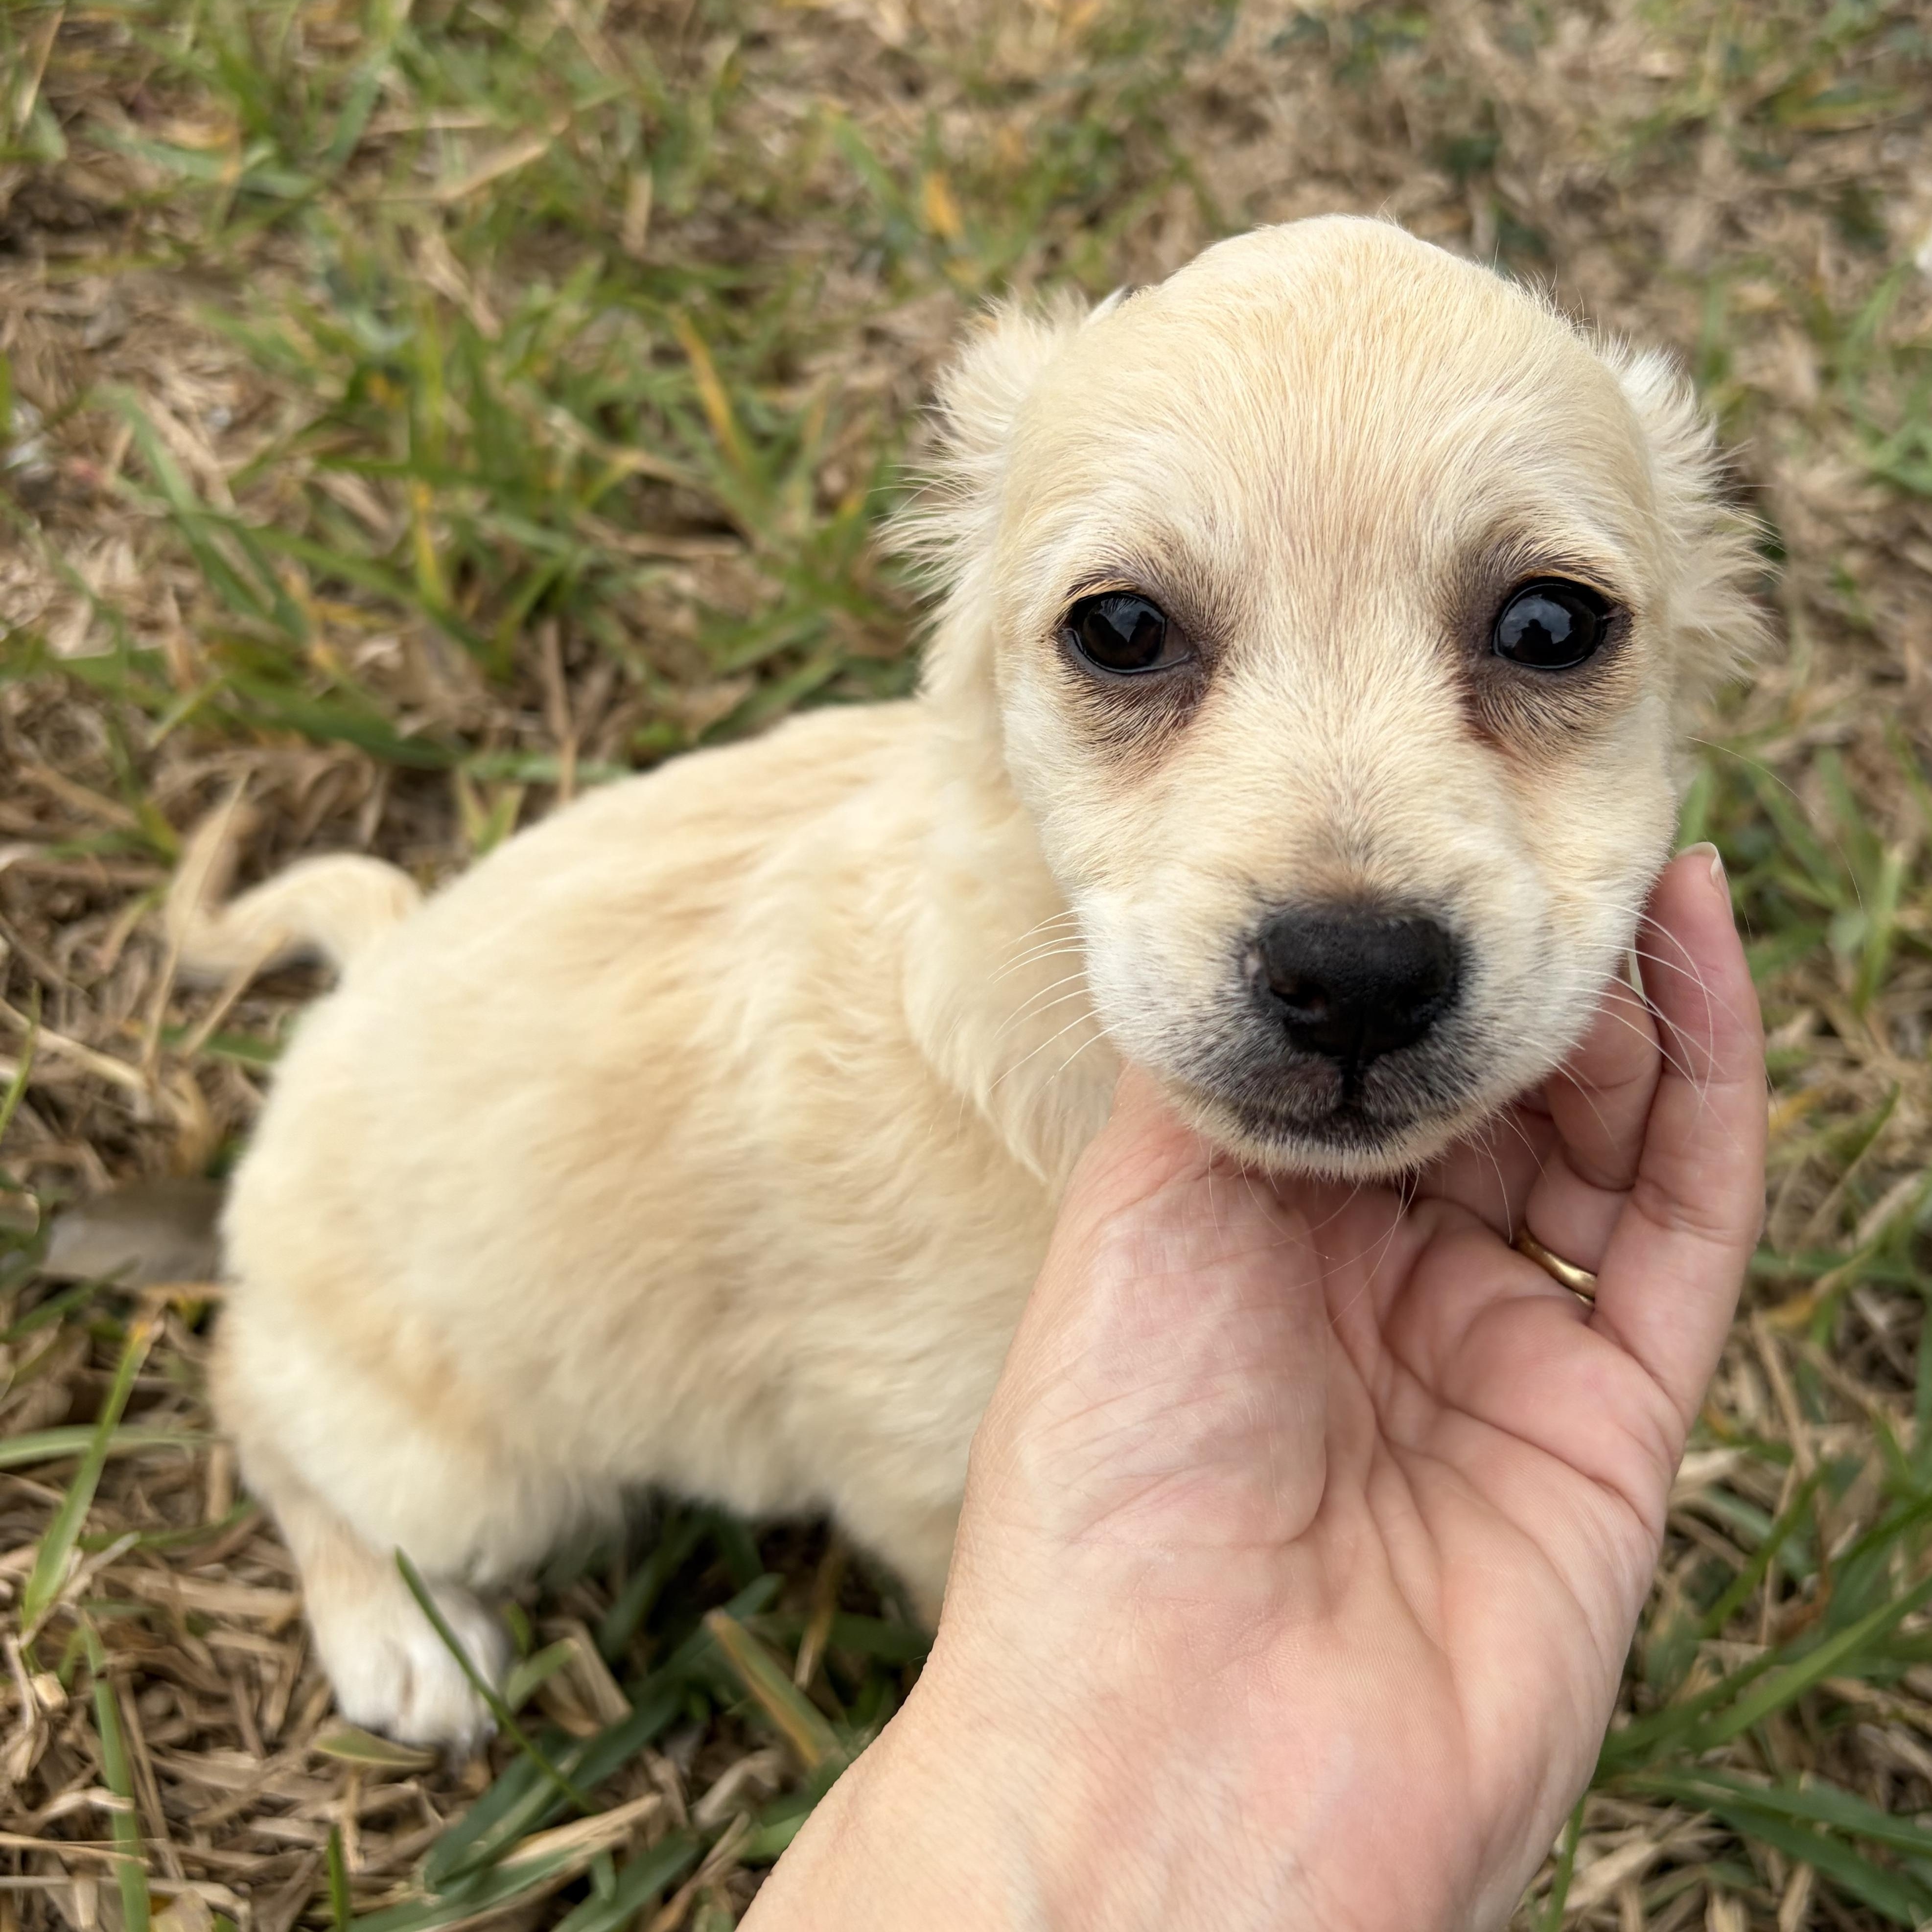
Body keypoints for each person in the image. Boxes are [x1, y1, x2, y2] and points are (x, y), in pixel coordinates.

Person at [744, 847, 1765, 1931]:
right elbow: (906, 1452)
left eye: (1545, 661)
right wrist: (1061, 1713)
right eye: (1129, 661)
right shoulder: (910, 1156)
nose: (1352, 947)